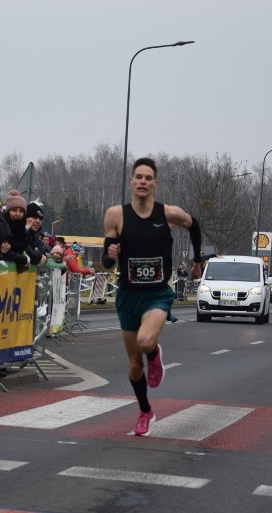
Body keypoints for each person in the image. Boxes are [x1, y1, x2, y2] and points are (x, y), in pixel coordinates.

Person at [102, 157, 202, 436]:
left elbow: (194, 225)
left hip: (157, 294)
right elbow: (107, 260)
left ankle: (154, 353)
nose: (143, 182)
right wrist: (109, 256)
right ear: (131, 182)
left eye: (148, 178)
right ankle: (145, 411)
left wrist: (197, 259)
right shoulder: (115, 215)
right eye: (139, 177)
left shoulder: (168, 214)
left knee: (146, 340)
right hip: (128, 295)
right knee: (134, 367)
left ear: (155, 183)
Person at [0, 190, 42, 271]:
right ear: (8, 211)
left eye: (21, 211)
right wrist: (25, 259)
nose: (18, 214)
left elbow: (21, 249)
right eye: (14, 210)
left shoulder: (21, 227)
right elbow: (4, 252)